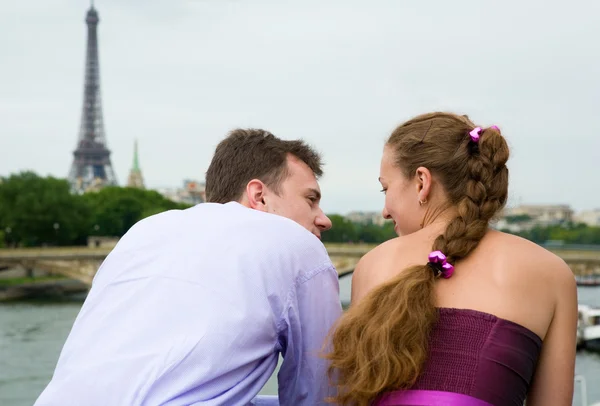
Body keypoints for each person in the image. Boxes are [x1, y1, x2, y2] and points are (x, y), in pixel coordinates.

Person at [35, 129, 341, 406]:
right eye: (311, 199)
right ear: (258, 195)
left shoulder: (144, 230)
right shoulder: (297, 244)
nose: (323, 219)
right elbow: (318, 392)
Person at [324, 112, 577, 406]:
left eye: (386, 188)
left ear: (422, 182)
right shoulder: (551, 272)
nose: (384, 211)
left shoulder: (375, 264)